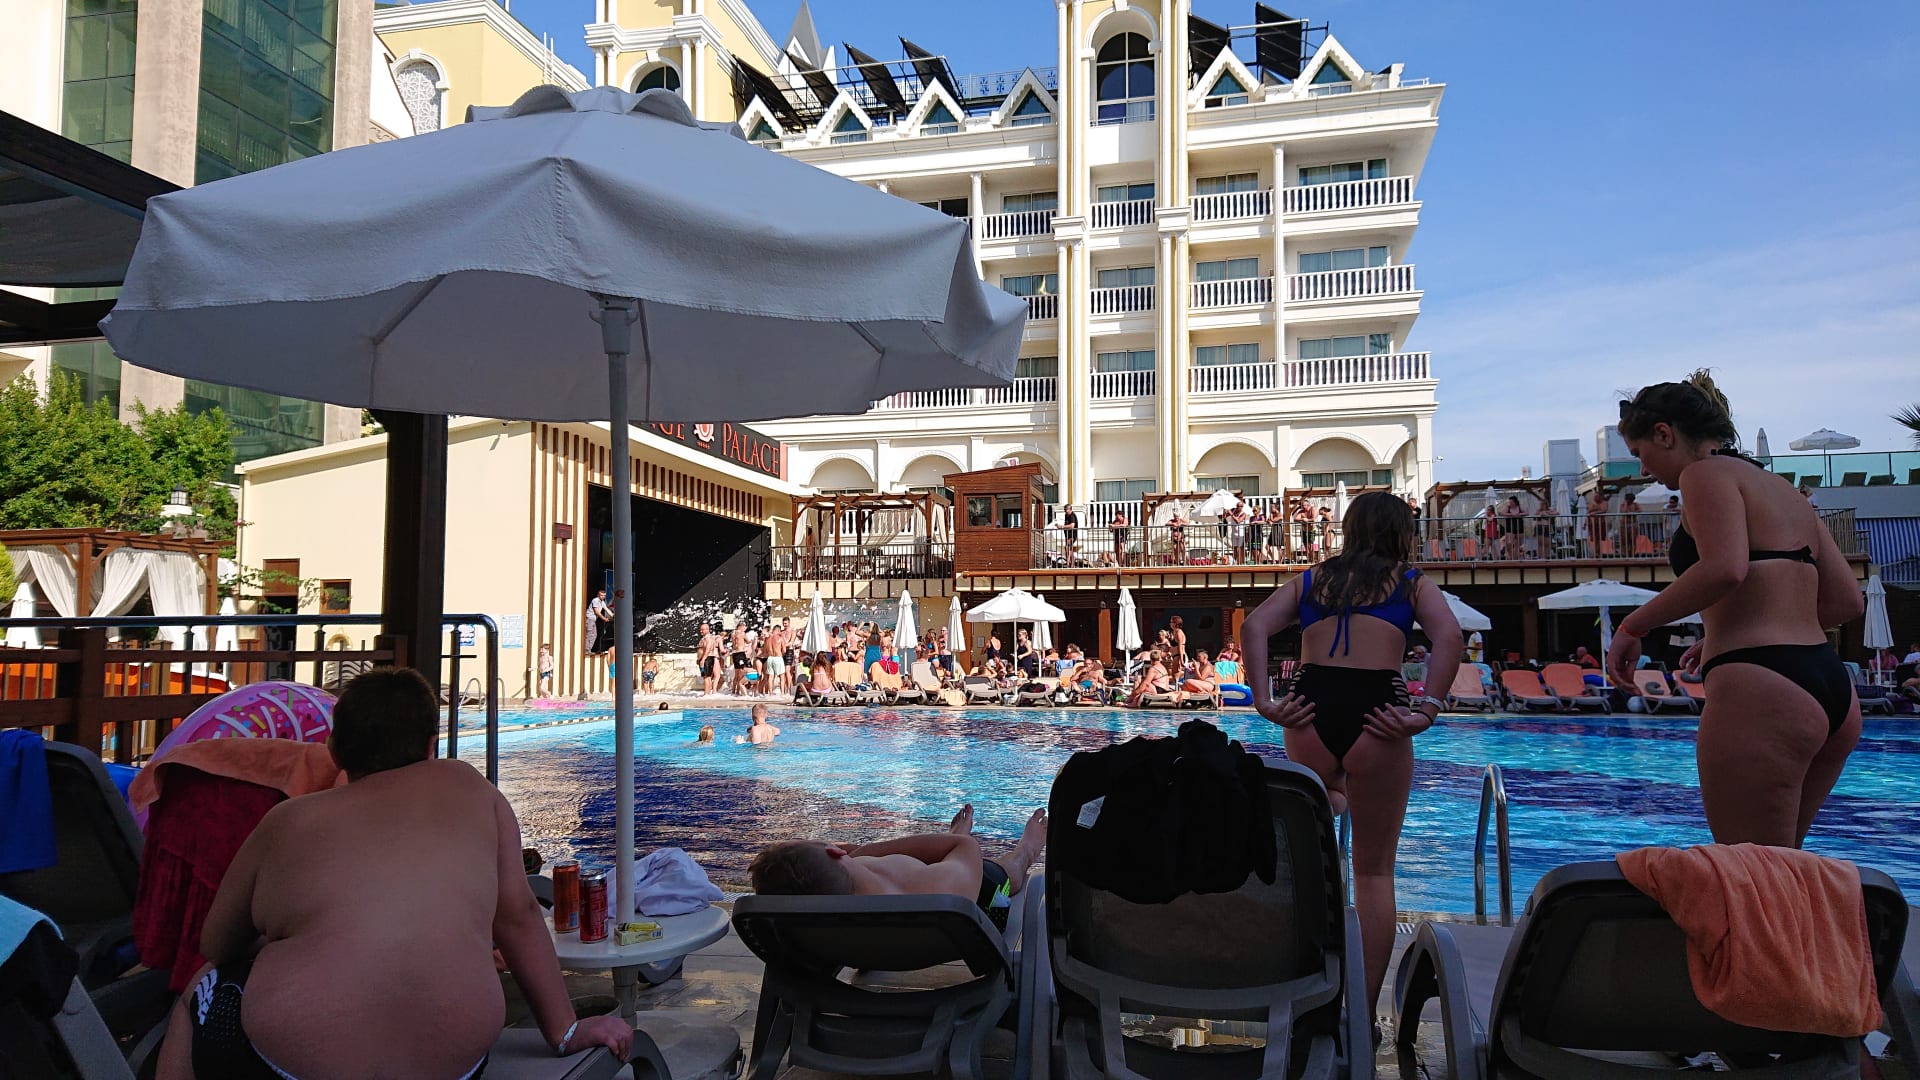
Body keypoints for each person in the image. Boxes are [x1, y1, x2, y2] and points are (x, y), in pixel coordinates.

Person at [156, 669, 632, 1079]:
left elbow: (217, 944)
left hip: (292, 1064)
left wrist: (279, 938)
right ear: (431, 747)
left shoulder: (286, 821)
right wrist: (565, 1030)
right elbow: (518, 916)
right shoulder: (472, 789)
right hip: (452, 1065)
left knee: (200, 987)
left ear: (334, 751)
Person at [1606, 372, 1863, 848]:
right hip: (1831, 689)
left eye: (1641, 453)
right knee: (1783, 871)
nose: (1643, 469)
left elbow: (1725, 568)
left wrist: (1632, 626)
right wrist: (1734, 626)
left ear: (1664, 434)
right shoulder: (1784, 491)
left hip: (1763, 686)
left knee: (1750, 875)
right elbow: (1847, 600)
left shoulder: (1703, 474)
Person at [1242, 491, 1462, 1016]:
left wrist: (1264, 701)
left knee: (1305, 860)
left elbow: (1254, 626)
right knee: (1373, 874)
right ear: (1401, 533)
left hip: (1310, 710)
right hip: (1378, 713)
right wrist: (1428, 709)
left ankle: (1305, 1002)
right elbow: (1450, 636)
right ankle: (1360, 1014)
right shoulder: (1410, 582)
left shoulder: (1314, 579)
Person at [747, 804, 1047, 927]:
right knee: (1001, 874)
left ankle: (945, 847)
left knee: (928, 861)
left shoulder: (815, 925)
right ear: (836, 853)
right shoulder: (932, 892)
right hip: (981, 900)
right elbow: (966, 848)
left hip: (876, 944)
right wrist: (867, 851)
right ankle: (1026, 850)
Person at [585, 588, 614, 658]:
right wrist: (604, 618)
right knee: (589, 634)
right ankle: (586, 650)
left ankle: (588, 649)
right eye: (601, 595)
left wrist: (613, 616)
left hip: (593, 620)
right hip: (590, 618)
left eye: (604, 595)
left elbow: (606, 609)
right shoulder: (595, 600)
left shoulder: (602, 602)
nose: (603, 597)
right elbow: (597, 612)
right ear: (598, 595)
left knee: (594, 635)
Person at [696, 622, 722, 696]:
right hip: (705, 659)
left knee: (706, 677)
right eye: (700, 629)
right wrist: (699, 659)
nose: (701, 631)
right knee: (707, 677)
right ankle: (708, 693)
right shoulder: (705, 638)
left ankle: (706, 694)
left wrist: (703, 659)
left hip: (707, 659)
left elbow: (708, 649)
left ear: (707, 630)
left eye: (703, 630)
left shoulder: (708, 639)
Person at [764, 620, 788, 696]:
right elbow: (784, 650)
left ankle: (770, 693)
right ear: (778, 630)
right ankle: (782, 693)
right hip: (778, 657)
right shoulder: (780, 638)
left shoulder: (767, 639)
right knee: (782, 676)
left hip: (770, 658)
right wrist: (781, 654)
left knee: (770, 676)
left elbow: (765, 650)